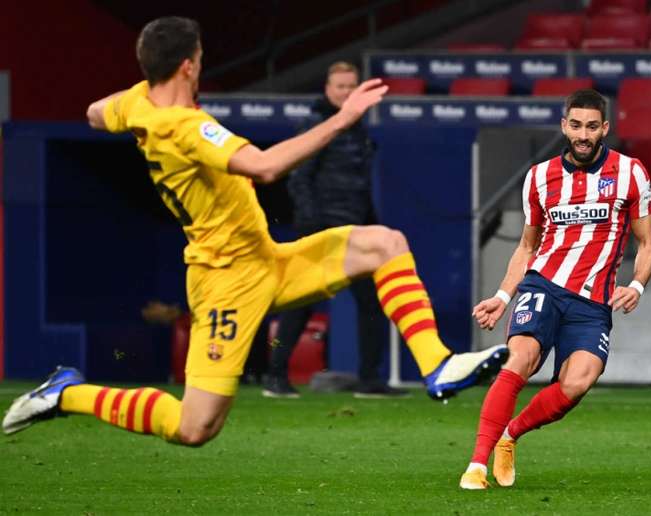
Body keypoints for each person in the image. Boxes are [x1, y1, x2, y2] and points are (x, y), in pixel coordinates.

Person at [2, 16, 507, 445]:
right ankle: (68, 392)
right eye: (198, 59)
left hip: (267, 258)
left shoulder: (137, 102)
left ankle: (438, 365)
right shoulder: (183, 126)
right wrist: (342, 117)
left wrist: (132, 106)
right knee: (195, 426)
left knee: (385, 242)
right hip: (226, 282)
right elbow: (264, 166)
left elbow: (94, 113)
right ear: (188, 65)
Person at [458, 89, 651, 489]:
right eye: (576, 125)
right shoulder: (538, 178)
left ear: (604, 128)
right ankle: (476, 465)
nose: (583, 135)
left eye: (591, 127)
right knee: (521, 358)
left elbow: (648, 243)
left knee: (577, 382)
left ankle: (509, 436)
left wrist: (636, 284)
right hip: (543, 284)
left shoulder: (630, 172)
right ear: (564, 126)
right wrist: (502, 296)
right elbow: (527, 246)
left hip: (593, 301)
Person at [263, 61, 404, 399]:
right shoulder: (316, 126)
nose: (345, 92)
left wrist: (372, 224)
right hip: (322, 231)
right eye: (339, 86)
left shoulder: (358, 129)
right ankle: (275, 377)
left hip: (355, 231)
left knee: (372, 301)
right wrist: (312, 228)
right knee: (300, 302)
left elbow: (360, 187)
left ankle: (369, 380)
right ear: (327, 89)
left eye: (350, 87)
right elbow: (299, 178)